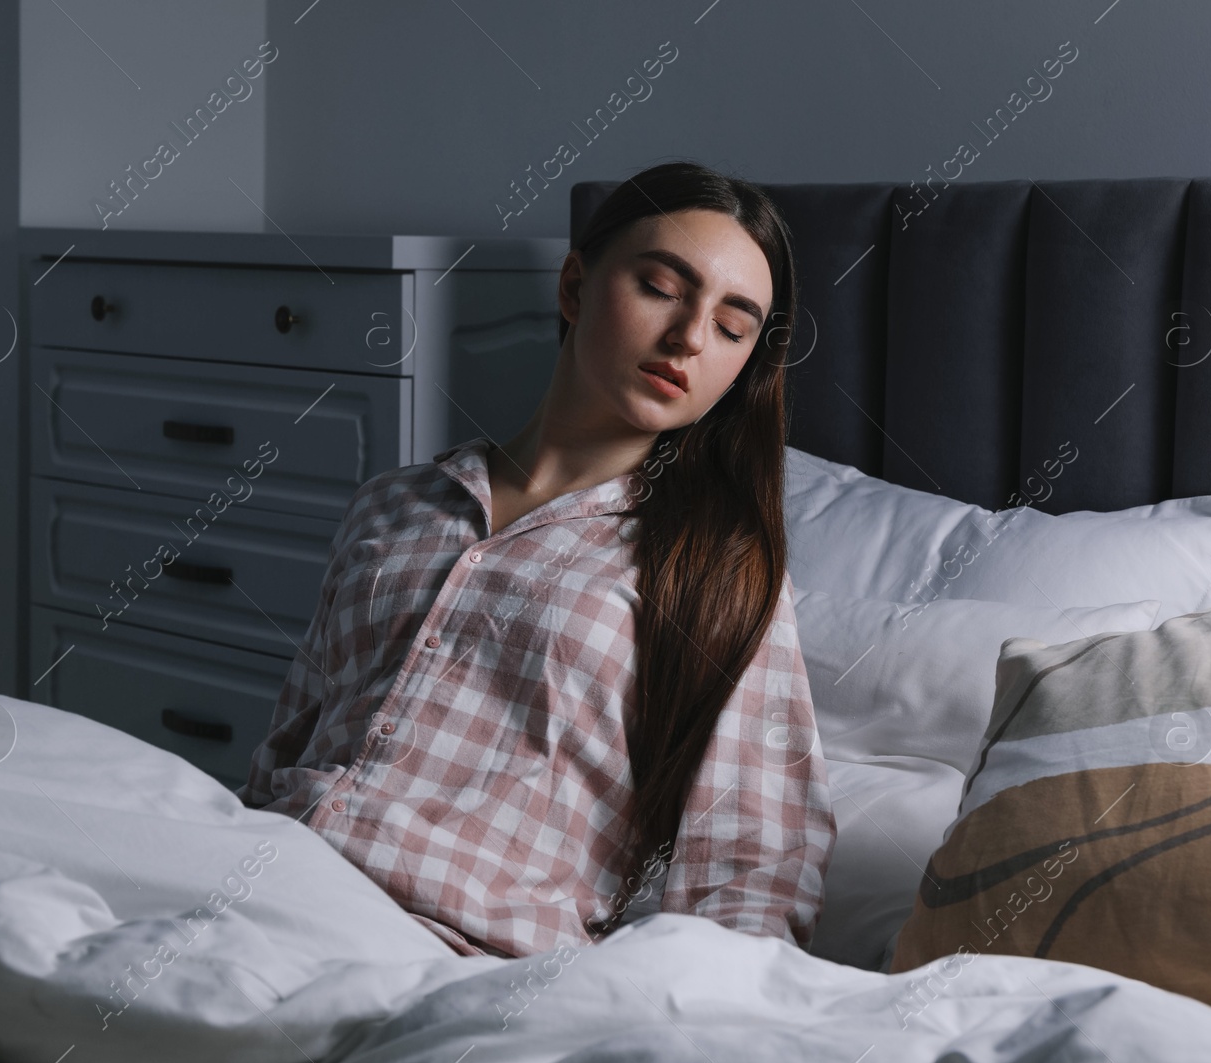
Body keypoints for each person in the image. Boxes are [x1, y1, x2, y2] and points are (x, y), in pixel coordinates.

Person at [237, 160, 837, 960]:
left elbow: (751, 873)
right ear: (574, 288)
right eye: (661, 286)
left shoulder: (717, 578)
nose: (690, 337)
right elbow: (285, 746)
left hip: (455, 956)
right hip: (260, 887)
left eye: (733, 328)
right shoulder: (392, 505)